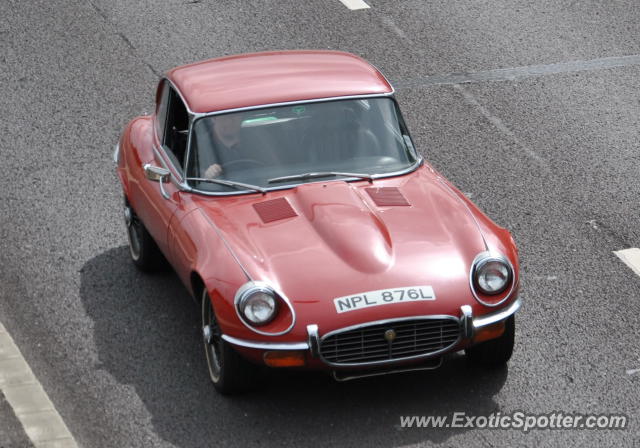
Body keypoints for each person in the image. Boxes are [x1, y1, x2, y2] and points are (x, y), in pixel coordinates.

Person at [199, 113, 277, 179]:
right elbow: (195, 179)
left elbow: (274, 167)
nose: (230, 121)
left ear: (241, 118)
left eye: (235, 116)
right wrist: (207, 176)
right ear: (214, 118)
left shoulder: (256, 140)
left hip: (259, 189)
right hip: (222, 192)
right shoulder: (201, 146)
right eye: (225, 116)